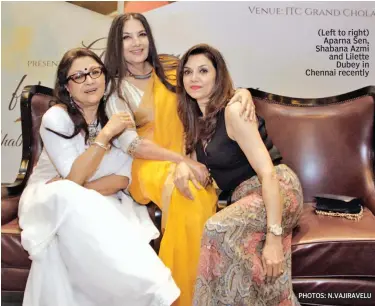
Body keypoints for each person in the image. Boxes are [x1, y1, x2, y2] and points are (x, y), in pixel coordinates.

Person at [104, 13, 256, 306]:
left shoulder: (173, 70)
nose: (137, 43)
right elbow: (132, 145)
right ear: (116, 44)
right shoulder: (115, 90)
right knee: (187, 196)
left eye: (142, 34)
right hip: (148, 167)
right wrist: (180, 162)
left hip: (191, 161)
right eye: (127, 37)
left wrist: (243, 93)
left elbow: (213, 90)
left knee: (196, 197)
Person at [18, 48, 180, 306]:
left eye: (95, 72)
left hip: (103, 197)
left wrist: (86, 187)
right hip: (50, 199)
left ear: (105, 77)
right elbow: (73, 179)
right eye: (79, 76)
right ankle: (154, 290)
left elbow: (125, 178)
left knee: (84, 210)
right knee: (69, 195)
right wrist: (104, 137)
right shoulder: (56, 118)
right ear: (67, 87)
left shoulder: (119, 114)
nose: (90, 80)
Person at [176, 44, 304, 306]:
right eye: (187, 72)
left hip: (277, 189)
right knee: (228, 246)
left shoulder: (233, 111)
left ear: (217, 75)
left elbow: (267, 173)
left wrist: (274, 239)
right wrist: (180, 164)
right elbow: (194, 166)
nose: (194, 78)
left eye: (203, 70)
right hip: (244, 199)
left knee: (216, 228)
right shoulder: (194, 122)